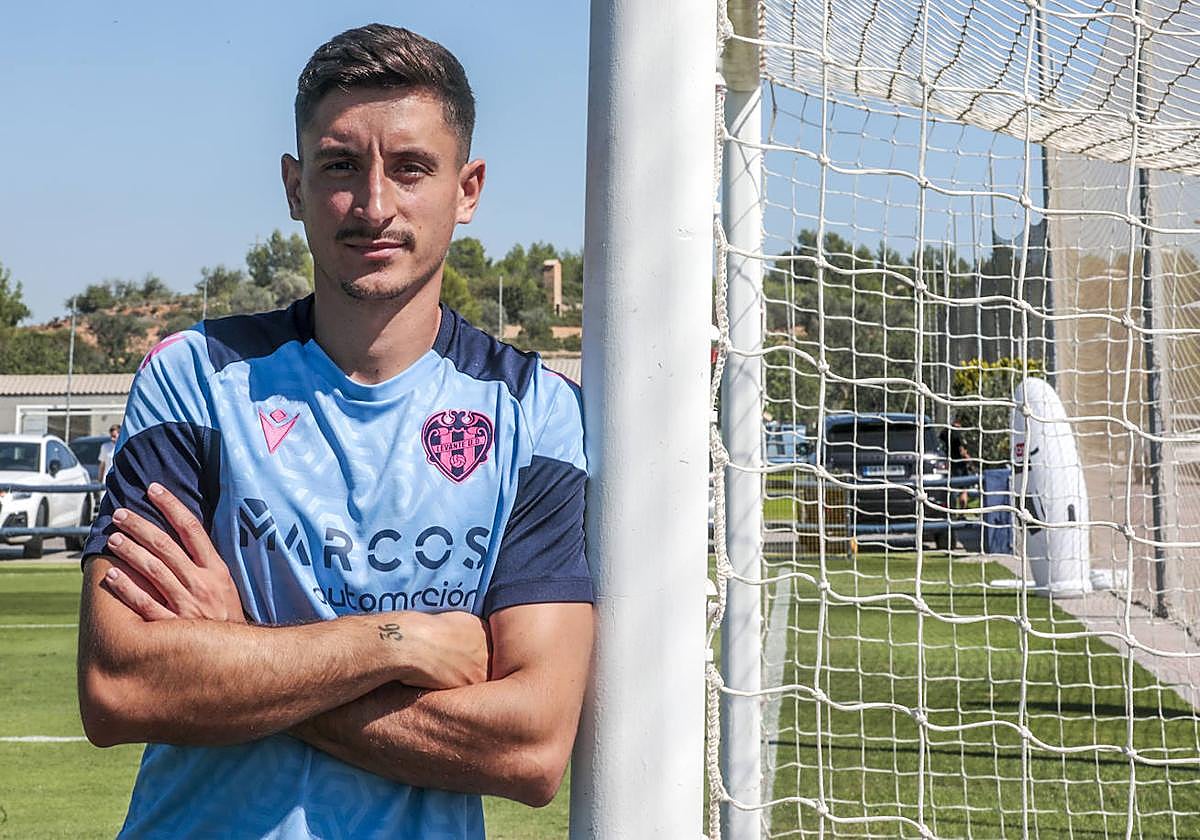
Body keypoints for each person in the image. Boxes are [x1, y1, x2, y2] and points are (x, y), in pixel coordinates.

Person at [76, 24, 594, 840]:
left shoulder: (534, 410)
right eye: (341, 166)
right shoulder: (195, 378)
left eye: (412, 168)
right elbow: (120, 687)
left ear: (468, 189)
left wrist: (240, 648)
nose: (375, 204)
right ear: (294, 184)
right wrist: (389, 642)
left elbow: (528, 747)